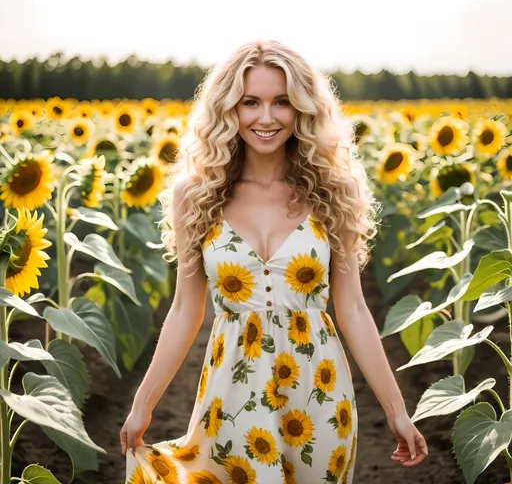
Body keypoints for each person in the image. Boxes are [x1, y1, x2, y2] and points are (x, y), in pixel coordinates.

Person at [120, 39, 428, 483]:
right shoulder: (195, 194)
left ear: (303, 108)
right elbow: (186, 310)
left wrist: (397, 411)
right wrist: (142, 404)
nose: (266, 118)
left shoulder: (334, 192)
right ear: (229, 109)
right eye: (251, 102)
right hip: (232, 392)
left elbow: (354, 309)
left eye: (281, 102)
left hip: (319, 394)